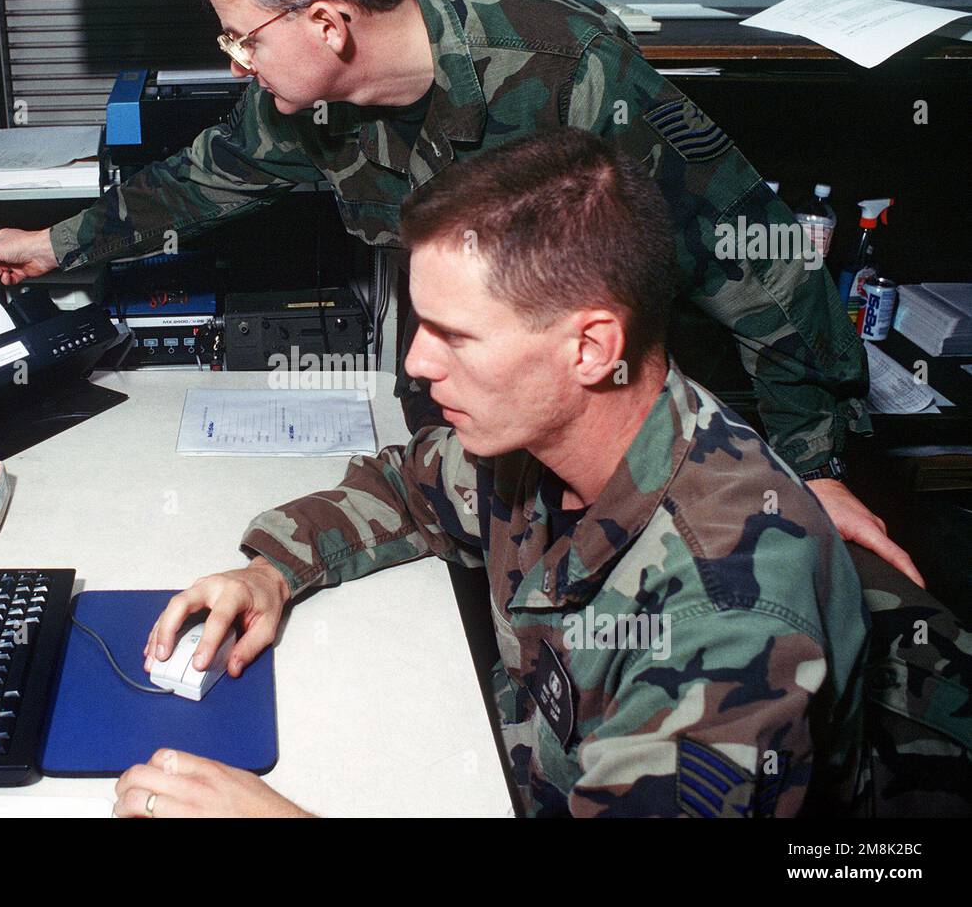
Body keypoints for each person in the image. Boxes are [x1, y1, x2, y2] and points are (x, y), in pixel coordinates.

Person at [0, 0, 924, 585]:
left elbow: (757, 260)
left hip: (614, 416)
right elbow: (200, 180)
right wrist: (52, 245)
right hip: (476, 421)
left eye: (242, 38)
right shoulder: (300, 104)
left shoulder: (567, 65)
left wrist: (815, 467)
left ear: (328, 24)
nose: (234, 63)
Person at [112, 129, 871, 818]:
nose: (416, 363)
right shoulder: (542, 440)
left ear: (590, 349)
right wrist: (271, 571)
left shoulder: (726, 613)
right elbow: (408, 486)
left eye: (455, 336)